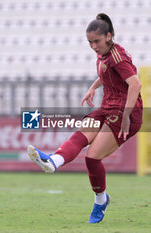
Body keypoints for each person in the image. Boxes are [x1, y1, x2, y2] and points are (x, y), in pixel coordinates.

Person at [27, 13, 143, 223]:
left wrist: (126, 115)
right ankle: (53, 161)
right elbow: (107, 72)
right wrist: (93, 88)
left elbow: (135, 83)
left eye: (96, 41)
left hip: (126, 113)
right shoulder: (104, 54)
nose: (93, 46)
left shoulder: (118, 56)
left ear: (109, 36)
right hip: (108, 107)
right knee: (81, 135)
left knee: (92, 156)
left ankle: (101, 200)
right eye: (89, 42)